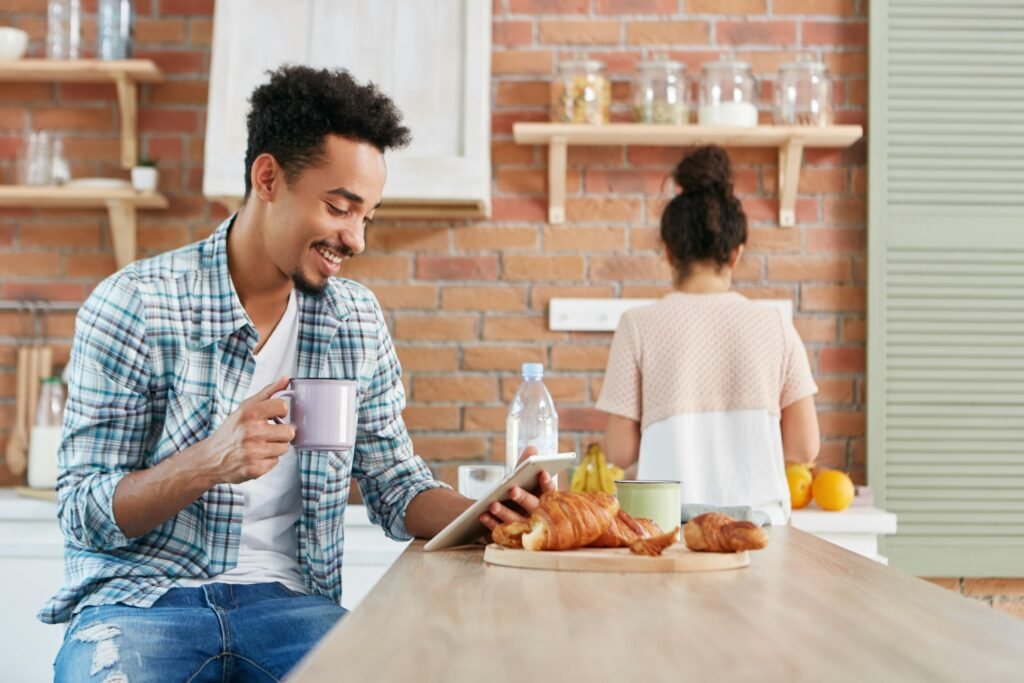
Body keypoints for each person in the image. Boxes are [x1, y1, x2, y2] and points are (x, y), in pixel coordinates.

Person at [43, 65, 552, 682]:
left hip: (293, 608)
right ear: (268, 178)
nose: (356, 238)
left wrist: (492, 512)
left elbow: (395, 485)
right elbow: (83, 510)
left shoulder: (354, 320)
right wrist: (211, 460)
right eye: (340, 208)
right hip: (140, 605)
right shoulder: (136, 303)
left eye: (368, 217)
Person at [595, 145, 820, 525]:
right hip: (760, 533)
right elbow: (803, 447)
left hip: (668, 531)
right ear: (736, 253)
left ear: (668, 251)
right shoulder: (775, 326)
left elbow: (618, 451)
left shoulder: (639, 325)